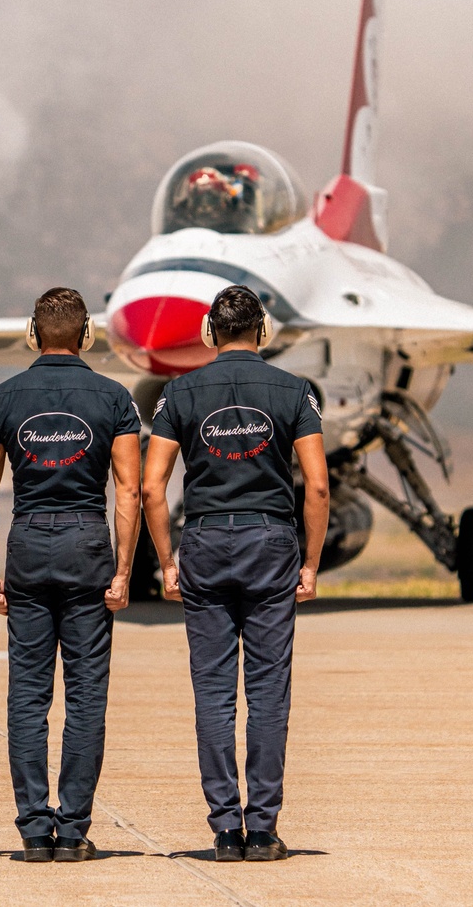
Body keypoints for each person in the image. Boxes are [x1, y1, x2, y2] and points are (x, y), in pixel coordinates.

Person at [142, 284, 330, 862]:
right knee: (269, 690)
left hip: (203, 541)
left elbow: (152, 486)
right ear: (264, 331)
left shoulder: (178, 392)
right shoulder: (294, 391)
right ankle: (265, 827)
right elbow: (317, 485)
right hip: (271, 543)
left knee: (214, 692)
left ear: (208, 332)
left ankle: (225, 828)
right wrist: (312, 561)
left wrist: (166, 560)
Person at [0, 287, 141, 863]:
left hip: (28, 543)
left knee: (29, 695)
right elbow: (130, 490)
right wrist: (123, 569)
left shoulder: (0, 398)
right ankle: (73, 830)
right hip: (88, 540)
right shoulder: (114, 397)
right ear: (87, 335)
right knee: (86, 695)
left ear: (32, 333)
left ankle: (33, 829)